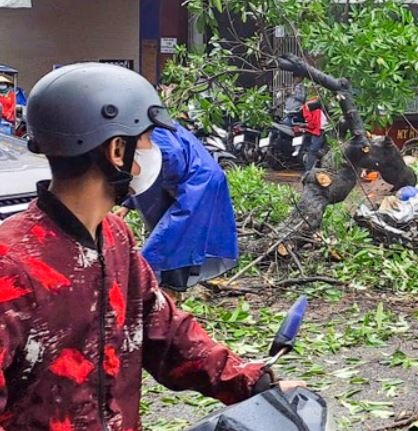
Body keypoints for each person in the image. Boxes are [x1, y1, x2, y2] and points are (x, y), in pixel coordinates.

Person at [0, 63, 302, 429]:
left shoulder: (114, 238)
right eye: (146, 139)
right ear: (116, 150)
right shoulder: (12, 264)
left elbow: (167, 334)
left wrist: (254, 383)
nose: (153, 150)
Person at [118, 119, 239, 297]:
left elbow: (170, 155)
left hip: (195, 185)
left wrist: (171, 188)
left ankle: (169, 295)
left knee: (172, 239)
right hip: (190, 183)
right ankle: (167, 293)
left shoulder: (149, 128)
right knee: (174, 238)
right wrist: (127, 204)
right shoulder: (148, 122)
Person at [300, 97, 327, 172]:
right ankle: (308, 170)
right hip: (318, 129)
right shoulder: (309, 105)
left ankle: (310, 170)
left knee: (313, 150)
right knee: (313, 150)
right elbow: (309, 120)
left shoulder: (320, 102)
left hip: (323, 129)